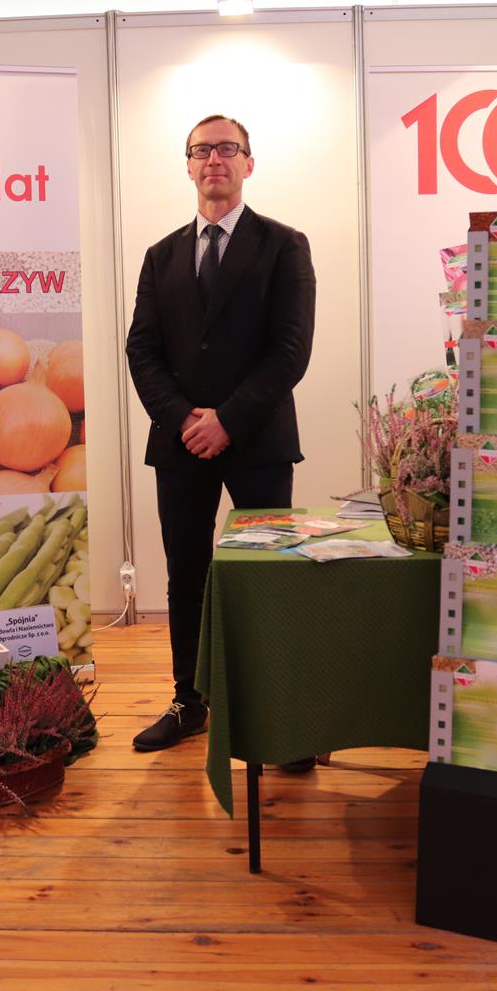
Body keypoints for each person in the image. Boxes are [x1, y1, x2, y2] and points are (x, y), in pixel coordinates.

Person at [124, 114, 317, 755]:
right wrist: (186, 418)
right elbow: (142, 350)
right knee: (186, 575)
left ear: (248, 163)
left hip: (258, 440)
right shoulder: (161, 256)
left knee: (265, 575)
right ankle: (189, 701)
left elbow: (290, 351)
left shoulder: (285, 246)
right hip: (179, 444)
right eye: (201, 150)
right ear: (187, 166)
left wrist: (227, 420)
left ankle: (277, 713)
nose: (214, 159)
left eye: (227, 148)